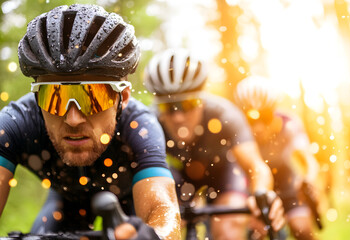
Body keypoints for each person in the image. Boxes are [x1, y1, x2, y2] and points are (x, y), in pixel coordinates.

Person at [0, 4, 181, 240]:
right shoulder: (17, 122)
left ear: (122, 98)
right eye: (54, 98)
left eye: (92, 98)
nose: (73, 119)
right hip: (65, 202)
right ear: (36, 98)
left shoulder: (140, 127)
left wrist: (154, 236)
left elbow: (164, 214)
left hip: (129, 206)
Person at [143, 48, 285, 240]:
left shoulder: (225, 114)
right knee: (162, 226)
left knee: (228, 229)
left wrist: (261, 194)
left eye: (188, 104)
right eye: (167, 106)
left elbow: (255, 166)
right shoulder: (149, 120)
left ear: (201, 100)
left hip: (223, 174)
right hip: (179, 176)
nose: (177, 117)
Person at [235, 76, 320, 240]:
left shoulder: (289, 124)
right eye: (251, 119)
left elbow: (308, 159)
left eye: (265, 117)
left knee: (302, 230)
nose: (258, 127)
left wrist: (308, 180)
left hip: (285, 180)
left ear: (274, 111)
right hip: (251, 182)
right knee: (256, 233)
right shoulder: (234, 129)